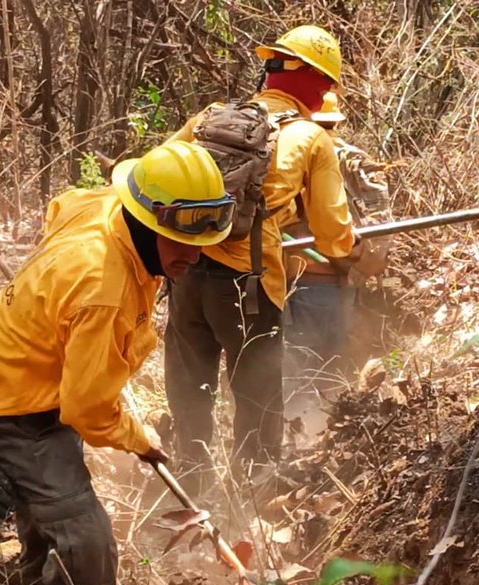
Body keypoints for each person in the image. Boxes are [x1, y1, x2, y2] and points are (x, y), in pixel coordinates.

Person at [0, 141, 233, 585]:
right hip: (14, 410)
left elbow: (63, 204)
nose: (194, 256)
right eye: (181, 242)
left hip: (28, 385)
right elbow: (86, 408)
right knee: (89, 547)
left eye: (202, 242)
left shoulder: (104, 208)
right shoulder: (103, 287)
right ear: (149, 223)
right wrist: (137, 438)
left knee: (44, 524)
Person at [163, 25, 359, 480]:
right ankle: (252, 502)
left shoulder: (211, 116)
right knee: (257, 402)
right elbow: (334, 238)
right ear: (315, 81)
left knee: (189, 391)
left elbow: (156, 174)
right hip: (249, 288)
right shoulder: (311, 137)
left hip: (185, 275)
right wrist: (351, 248)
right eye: (328, 83)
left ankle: (189, 488)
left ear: (270, 70)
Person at [283, 92, 392, 436]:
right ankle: (329, 441)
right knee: (332, 365)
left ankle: (301, 444)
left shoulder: (291, 156)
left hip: (299, 282)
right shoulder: (354, 159)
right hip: (341, 284)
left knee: (298, 371)